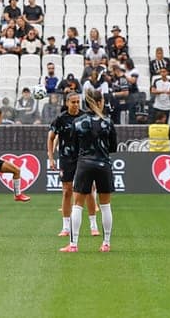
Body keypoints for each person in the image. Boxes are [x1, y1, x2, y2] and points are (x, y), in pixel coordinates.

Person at [60, 88, 116, 253]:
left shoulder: (78, 122)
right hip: (103, 164)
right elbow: (112, 147)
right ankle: (106, 243)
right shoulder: (108, 122)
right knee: (105, 205)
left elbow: (73, 147)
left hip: (84, 164)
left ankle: (73, 244)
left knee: (77, 205)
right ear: (100, 102)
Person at [48, 91, 100, 238]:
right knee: (67, 191)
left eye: (78, 102)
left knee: (89, 190)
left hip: (84, 158)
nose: (76, 104)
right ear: (67, 103)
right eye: (73, 102)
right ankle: (65, 227)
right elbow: (51, 138)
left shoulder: (86, 117)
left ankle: (93, 225)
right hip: (66, 159)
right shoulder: (60, 119)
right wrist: (51, 157)